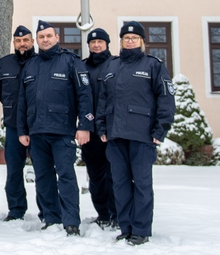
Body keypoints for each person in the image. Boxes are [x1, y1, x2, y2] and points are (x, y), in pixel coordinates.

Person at [96, 21, 175, 246]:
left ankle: (140, 229)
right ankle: (126, 227)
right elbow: (103, 100)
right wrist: (101, 127)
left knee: (141, 184)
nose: (130, 41)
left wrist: (161, 128)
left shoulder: (153, 65)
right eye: (126, 38)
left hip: (142, 135)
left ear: (142, 41)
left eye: (134, 38)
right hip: (115, 135)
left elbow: (166, 99)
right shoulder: (111, 66)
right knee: (119, 184)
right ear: (120, 41)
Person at [17, 20, 94, 236]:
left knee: (66, 176)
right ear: (37, 40)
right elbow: (23, 101)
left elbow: (84, 95)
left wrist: (85, 126)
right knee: (43, 177)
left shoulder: (70, 62)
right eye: (41, 37)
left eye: (49, 36)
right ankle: (51, 217)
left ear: (56, 38)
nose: (45, 39)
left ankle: (71, 221)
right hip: (37, 132)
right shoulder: (30, 65)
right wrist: (22, 130)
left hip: (63, 132)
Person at [0, 25, 41, 222]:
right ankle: (16, 209)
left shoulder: (41, 62)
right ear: (14, 43)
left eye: (26, 40)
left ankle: (47, 210)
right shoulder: (5, 63)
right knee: (13, 169)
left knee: (43, 169)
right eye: (18, 41)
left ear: (32, 42)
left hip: (38, 125)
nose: (22, 44)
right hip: (13, 125)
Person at [82, 28, 118, 229]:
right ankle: (103, 213)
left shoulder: (116, 64)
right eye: (93, 42)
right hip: (90, 132)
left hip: (112, 131)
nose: (96, 45)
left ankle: (116, 214)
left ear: (107, 44)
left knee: (114, 175)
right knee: (95, 176)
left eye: (100, 41)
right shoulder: (82, 66)